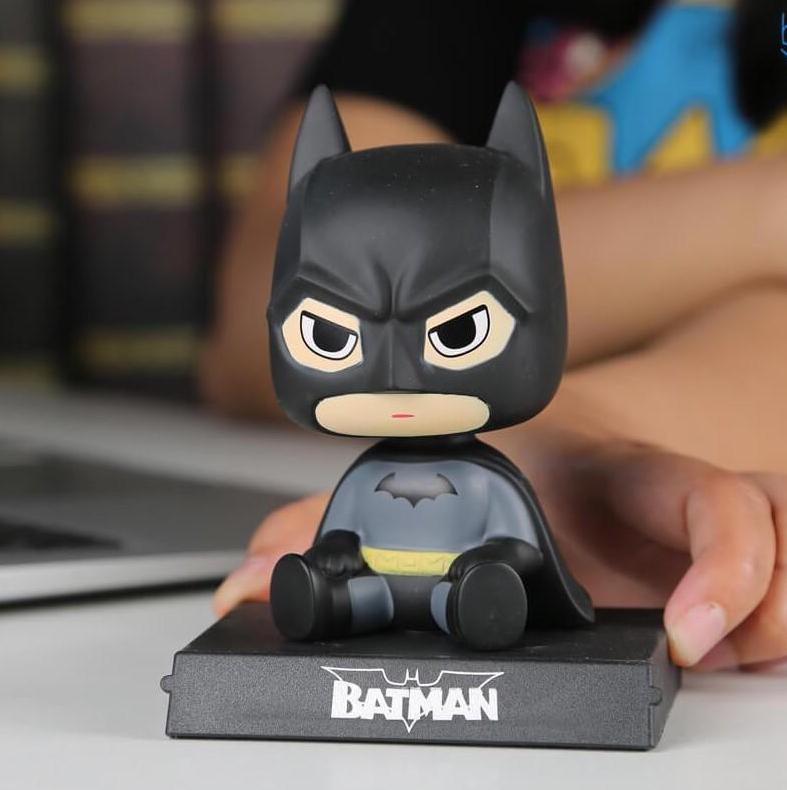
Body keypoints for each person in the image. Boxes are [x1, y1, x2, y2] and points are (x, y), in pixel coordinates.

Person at [201, 0, 787, 671]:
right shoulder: (459, 22)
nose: (400, 378)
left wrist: (582, 444)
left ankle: (476, 596)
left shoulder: (490, 486)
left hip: (584, 501)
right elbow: (257, 319)